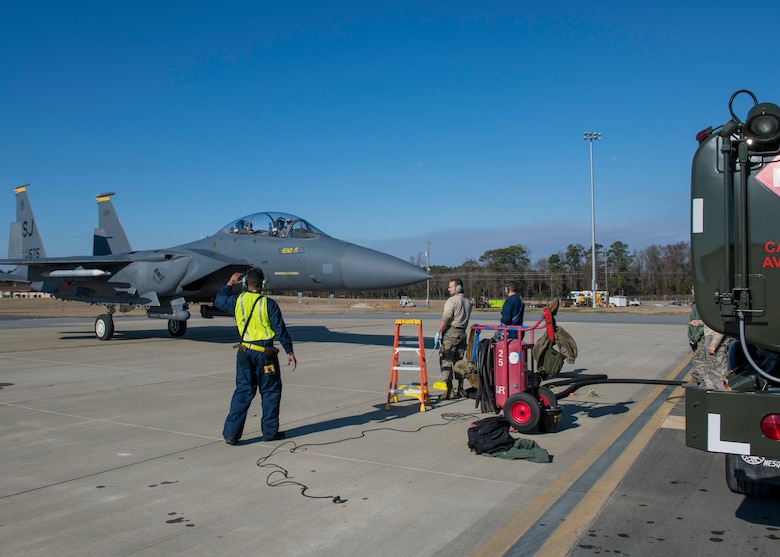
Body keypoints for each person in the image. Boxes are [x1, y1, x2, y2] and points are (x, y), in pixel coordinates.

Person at [215, 268, 297, 444]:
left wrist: (229, 283)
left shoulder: (238, 300)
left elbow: (219, 301)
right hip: (265, 354)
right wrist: (289, 351)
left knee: (243, 391)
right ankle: (269, 432)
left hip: (244, 352)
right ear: (263, 284)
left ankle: (231, 434)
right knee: (270, 392)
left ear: (245, 284)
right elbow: (280, 330)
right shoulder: (268, 304)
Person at [434, 278, 473, 399]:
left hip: (451, 333)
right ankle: (461, 388)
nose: (448, 289)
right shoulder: (468, 302)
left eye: (450, 287)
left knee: (446, 360)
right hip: (462, 333)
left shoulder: (452, 301)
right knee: (459, 362)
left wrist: (438, 331)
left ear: (458, 288)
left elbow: (446, 317)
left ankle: (449, 390)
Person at [688, 287, 730, 390]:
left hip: (714, 340)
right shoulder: (708, 308)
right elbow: (708, 321)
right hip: (709, 338)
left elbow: (721, 328)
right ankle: (711, 387)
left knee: (717, 368)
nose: (692, 292)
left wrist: (714, 345)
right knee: (710, 367)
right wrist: (698, 323)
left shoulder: (717, 308)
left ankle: (721, 389)